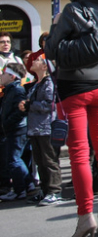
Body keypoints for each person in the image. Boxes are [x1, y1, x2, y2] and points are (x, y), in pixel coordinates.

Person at [43, 0, 98, 236]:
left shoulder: (72, 10)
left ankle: (85, 216)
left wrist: (55, 25)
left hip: (74, 87)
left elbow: (52, 50)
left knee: (79, 152)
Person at [19, 51, 63, 206]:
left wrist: (31, 105)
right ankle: (44, 189)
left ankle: (54, 191)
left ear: (45, 66)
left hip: (46, 128)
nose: (33, 61)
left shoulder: (49, 83)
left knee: (49, 160)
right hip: (35, 128)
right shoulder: (37, 83)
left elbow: (49, 105)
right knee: (40, 161)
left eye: (37, 60)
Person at [0, 61, 32, 202]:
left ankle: (21, 190)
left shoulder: (17, 90)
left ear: (12, 77)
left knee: (14, 160)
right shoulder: (9, 90)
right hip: (13, 129)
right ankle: (27, 185)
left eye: (4, 73)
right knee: (14, 159)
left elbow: (21, 111)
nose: (1, 75)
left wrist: (7, 123)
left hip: (17, 129)